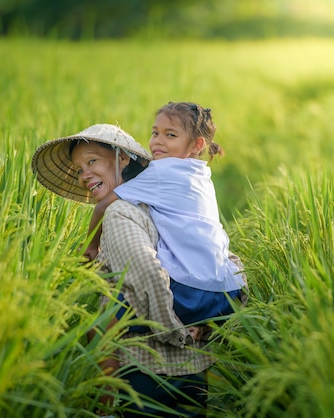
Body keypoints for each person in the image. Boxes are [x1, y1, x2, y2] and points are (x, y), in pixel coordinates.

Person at [31, 123, 246, 417]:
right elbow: (225, 260)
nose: (84, 175)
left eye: (92, 161)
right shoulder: (172, 205)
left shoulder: (120, 212)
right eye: (80, 169)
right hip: (193, 367)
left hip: (146, 371)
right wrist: (208, 327)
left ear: (122, 158)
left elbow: (146, 273)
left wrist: (175, 332)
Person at [85, 102, 247, 328]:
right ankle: (199, 328)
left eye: (170, 135)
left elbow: (103, 206)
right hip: (227, 292)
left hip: (192, 290)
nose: (157, 141)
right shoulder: (200, 173)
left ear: (196, 144)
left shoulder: (161, 171)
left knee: (103, 324)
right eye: (155, 133)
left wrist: (91, 247)